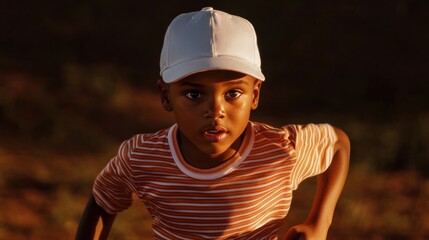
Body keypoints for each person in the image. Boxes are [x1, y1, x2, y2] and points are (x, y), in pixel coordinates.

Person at [75, 7, 350, 240]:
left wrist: (319, 223)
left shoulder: (281, 151)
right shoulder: (141, 157)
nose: (216, 110)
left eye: (233, 93)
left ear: (254, 95)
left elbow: (338, 144)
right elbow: (103, 199)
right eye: (194, 94)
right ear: (166, 96)